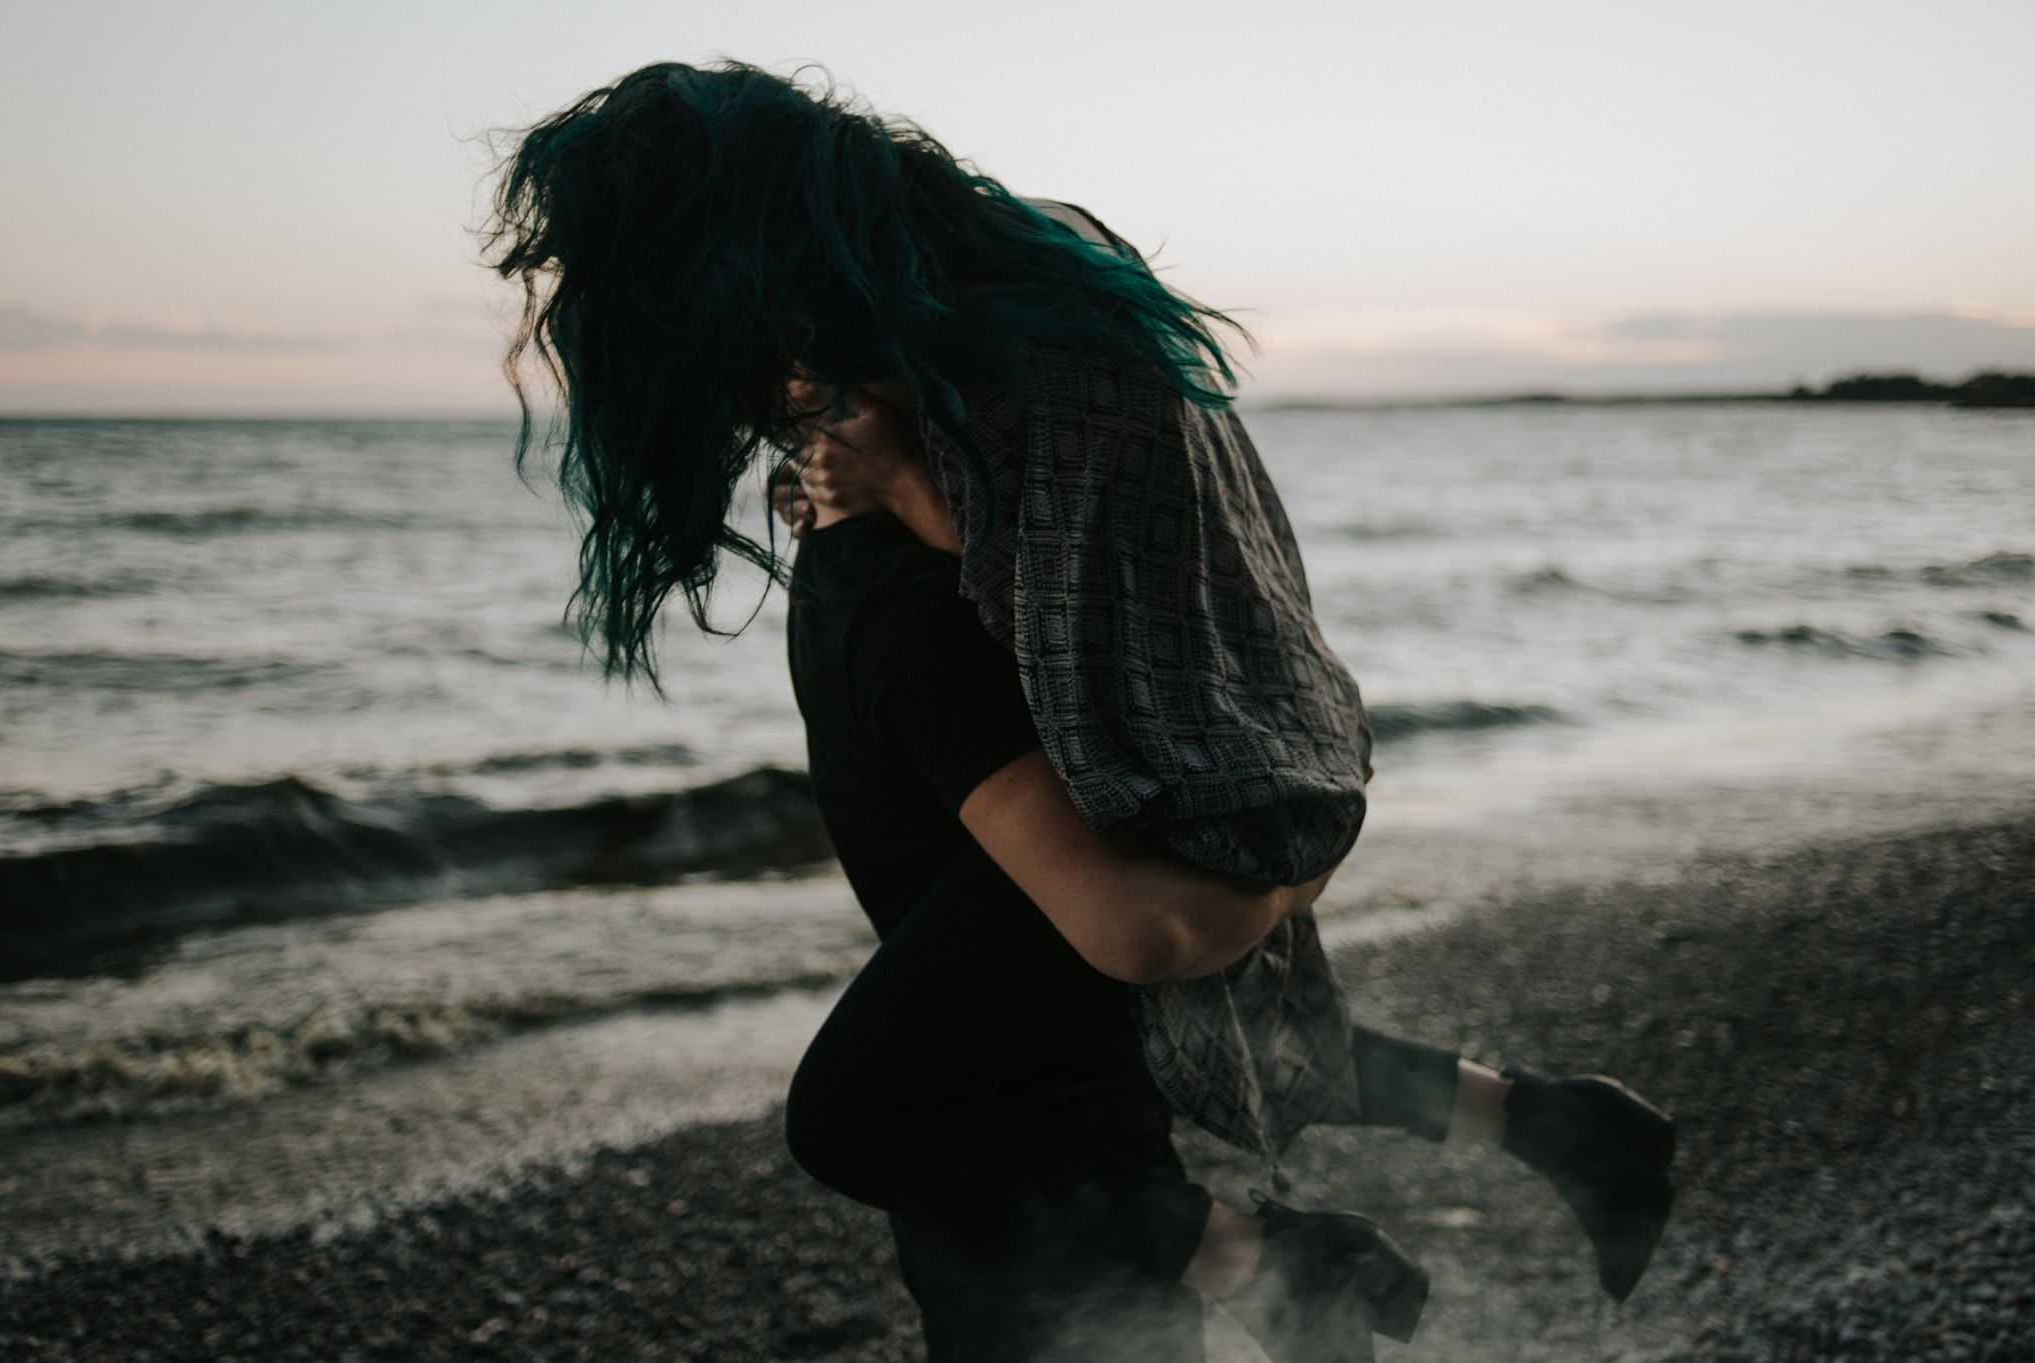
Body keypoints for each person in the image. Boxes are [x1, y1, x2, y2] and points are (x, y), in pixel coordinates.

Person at [486, 60, 1676, 1362]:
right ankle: (1531, 1134)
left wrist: (1278, 885)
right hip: (1051, 1053)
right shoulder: (928, 451)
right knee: (1195, 1057)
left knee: (901, 1131)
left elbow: (1136, 930)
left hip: (1041, 1110)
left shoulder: (903, 549)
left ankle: (1296, 1257)